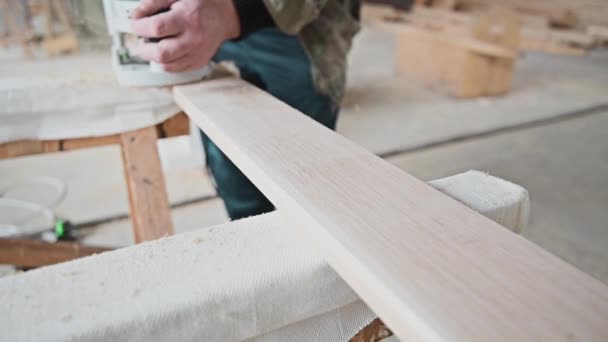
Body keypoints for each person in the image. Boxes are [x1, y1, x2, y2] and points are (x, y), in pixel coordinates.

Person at [131, 0, 360, 220]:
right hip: (200, 17)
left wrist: (231, 11)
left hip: (297, 27)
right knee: (235, 182)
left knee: (306, 189)